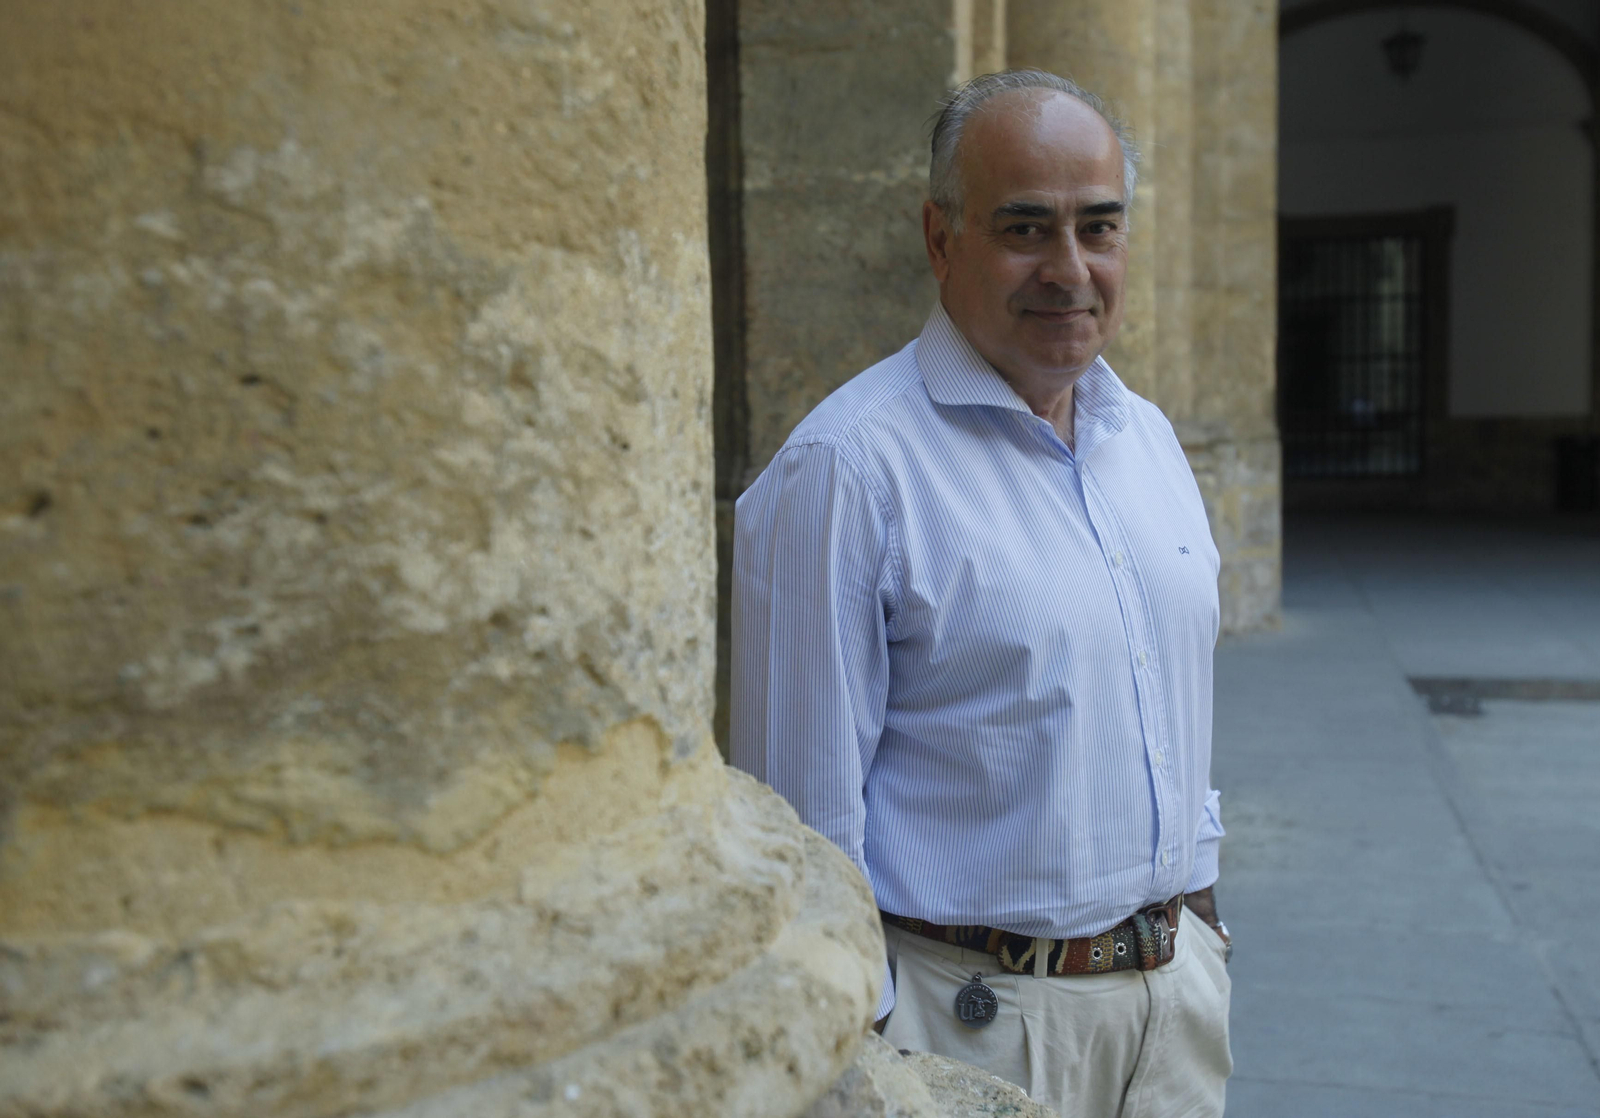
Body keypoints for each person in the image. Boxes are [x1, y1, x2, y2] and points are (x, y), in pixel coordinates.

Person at [730, 69, 1232, 1118]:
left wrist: (1203, 929)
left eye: (1099, 227)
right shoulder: (848, 468)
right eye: (1024, 228)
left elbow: (1170, 714)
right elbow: (802, 828)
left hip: (1172, 1015)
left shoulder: (1143, 440)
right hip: (972, 1030)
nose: (1069, 268)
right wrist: (867, 1057)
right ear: (938, 235)